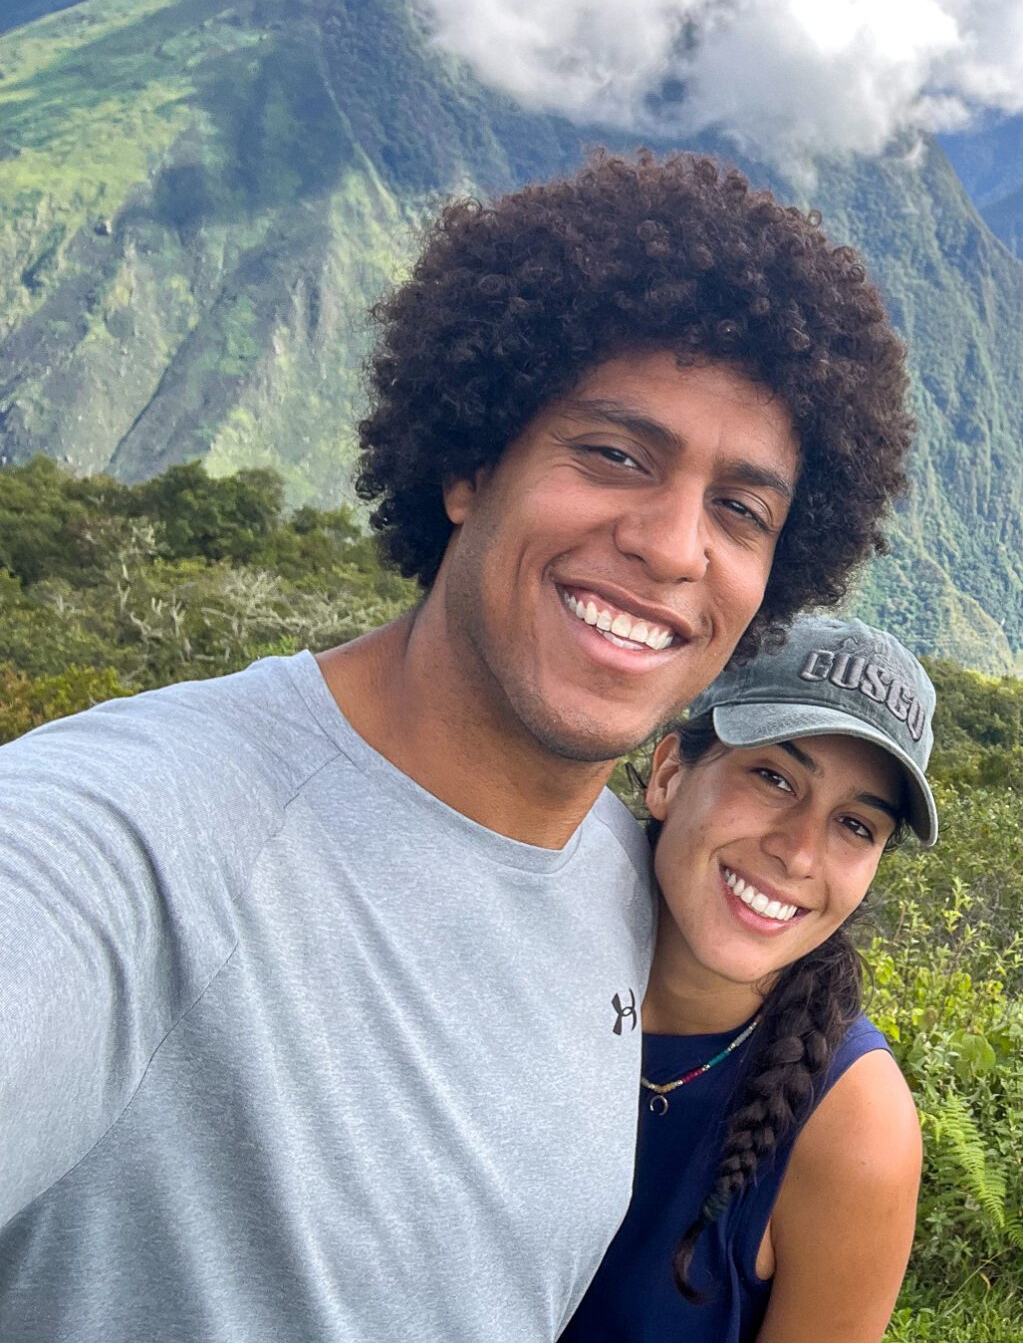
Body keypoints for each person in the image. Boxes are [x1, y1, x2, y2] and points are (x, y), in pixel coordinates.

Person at [0, 151, 915, 1341]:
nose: (673, 545)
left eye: (740, 509)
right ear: (469, 464)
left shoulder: (619, 885)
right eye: (616, 454)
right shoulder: (134, 840)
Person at [562, 614, 935, 1343]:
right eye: (773, 777)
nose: (799, 853)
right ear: (670, 773)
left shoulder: (855, 1128)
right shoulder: (524, 947)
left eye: (856, 826)